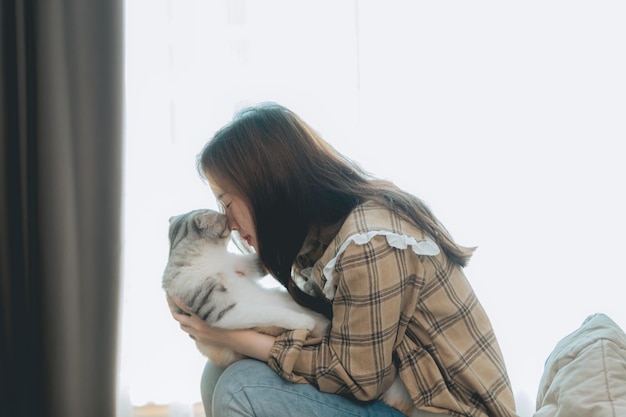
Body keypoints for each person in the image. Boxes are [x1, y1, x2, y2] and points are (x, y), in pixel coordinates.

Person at [168, 102, 518, 417]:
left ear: (267, 187)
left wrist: (236, 339)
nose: (226, 222)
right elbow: (328, 340)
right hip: (399, 398)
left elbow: (359, 377)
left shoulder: (369, 243)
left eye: (226, 202)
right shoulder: (320, 242)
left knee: (242, 386)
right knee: (217, 374)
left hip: (448, 412)